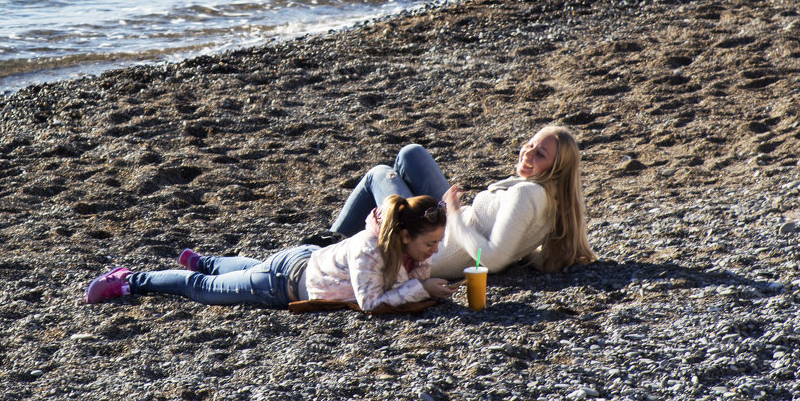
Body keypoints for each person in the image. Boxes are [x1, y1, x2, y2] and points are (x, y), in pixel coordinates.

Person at [84, 195, 459, 311]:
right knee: (200, 288)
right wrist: (423, 290)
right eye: (430, 243)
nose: (436, 250)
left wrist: (426, 280)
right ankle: (129, 279)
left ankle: (208, 260)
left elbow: (411, 278)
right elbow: (371, 303)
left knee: (244, 269)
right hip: (282, 284)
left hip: (306, 261)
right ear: (404, 235)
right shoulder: (369, 250)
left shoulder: (411, 247)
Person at [329, 125, 594, 277]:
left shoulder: (527, 194)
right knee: (412, 154)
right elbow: (520, 249)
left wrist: (454, 214)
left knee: (377, 174)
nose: (528, 153)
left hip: (434, 243)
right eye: (531, 144)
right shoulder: (553, 198)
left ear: (556, 168)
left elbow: (492, 259)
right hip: (448, 224)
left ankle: (326, 243)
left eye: (541, 155)